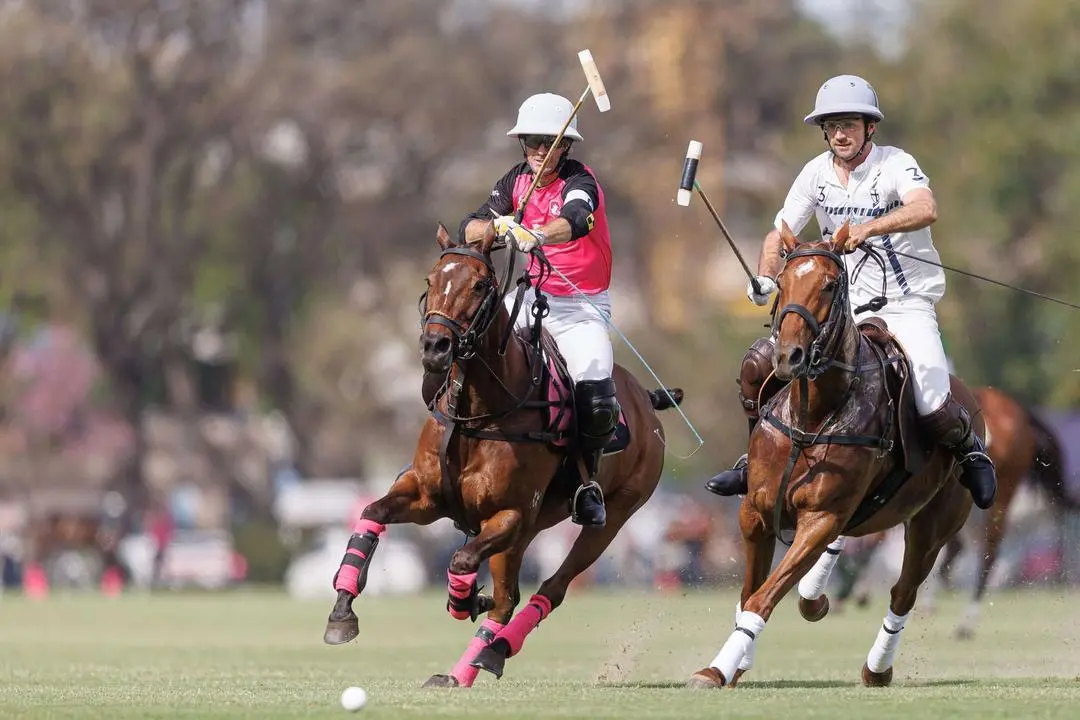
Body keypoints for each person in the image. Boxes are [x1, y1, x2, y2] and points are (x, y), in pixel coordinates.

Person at [704, 74, 997, 510]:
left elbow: (925, 207)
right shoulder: (814, 174)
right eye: (833, 125)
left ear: (869, 128)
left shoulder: (895, 164)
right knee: (763, 366)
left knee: (933, 403)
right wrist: (767, 279)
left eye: (850, 125)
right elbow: (778, 234)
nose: (841, 134)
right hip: (842, 310)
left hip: (905, 305)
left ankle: (971, 451)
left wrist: (869, 227)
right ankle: (756, 460)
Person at [458, 92, 618, 527]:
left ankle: (587, 481)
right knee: (471, 343)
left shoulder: (580, 181)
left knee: (595, 385)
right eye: (532, 141)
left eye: (549, 142)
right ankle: (457, 444)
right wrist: (497, 225)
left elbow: (578, 219)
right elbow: (467, 227)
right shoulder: (515, 181)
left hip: (582, 306)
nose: (540, 152)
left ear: (566, 145)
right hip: (529, 298)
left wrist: (539, 235)